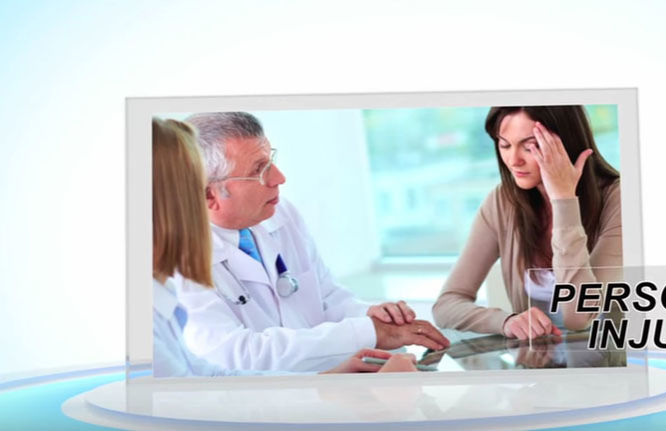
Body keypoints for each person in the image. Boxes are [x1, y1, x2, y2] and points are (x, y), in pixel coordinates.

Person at [176, 112, 449, 372]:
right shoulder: (176, 259)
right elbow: (235, 356)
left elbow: (326, 297)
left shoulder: (279, 213)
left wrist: (371, 315)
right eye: (260, 170)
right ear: (209, 194)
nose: (279, 178)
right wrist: (366, 333)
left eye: (270, 160)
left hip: (323, 383)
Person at [432, 106, 621, 340]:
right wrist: (506, 321)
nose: (514, 160)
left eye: (531, 145)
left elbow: (578, 316)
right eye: (504, 145)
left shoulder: (619, 199)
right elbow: (446, 306)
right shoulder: (502, 202)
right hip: (536, 369)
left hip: (610, 366)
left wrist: (564, 200)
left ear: (567, 142)